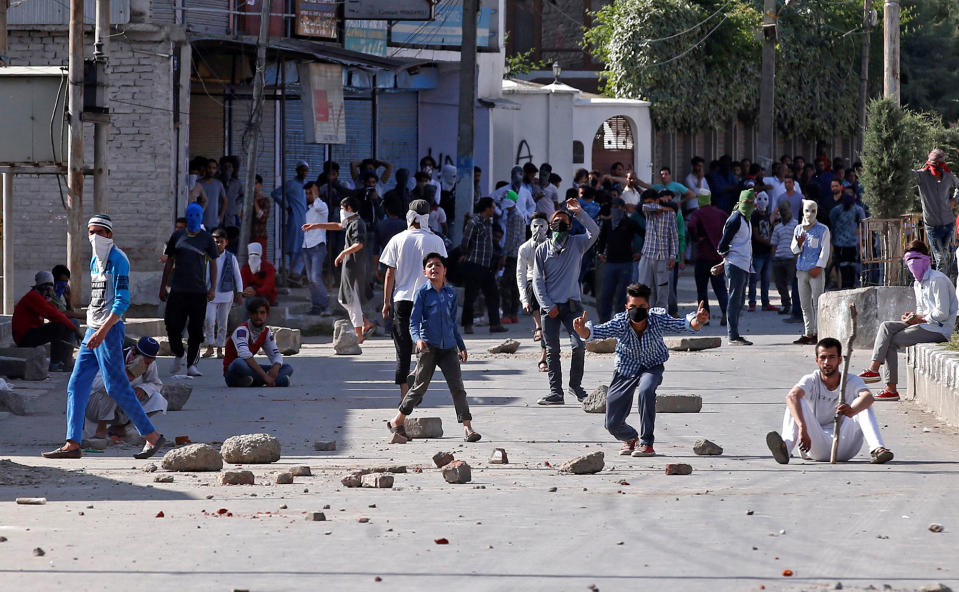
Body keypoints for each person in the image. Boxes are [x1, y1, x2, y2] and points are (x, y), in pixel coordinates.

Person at [42, 214, 166, 460]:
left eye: (99, 231)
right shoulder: (94, 262)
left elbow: (122, 302)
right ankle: (72, 443)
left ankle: (152, 437)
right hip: (93, 329)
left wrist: (102, 331)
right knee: (76, 385)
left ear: (109, 234)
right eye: (90, 232)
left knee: (115, 387)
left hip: (108, 330)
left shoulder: (119, 259)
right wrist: (91, 329)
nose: (94, 237)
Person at [573, 285, 710, 456]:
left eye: (642, 307)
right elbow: (598, 331)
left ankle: (646, 442)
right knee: (612, 423)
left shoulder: (658, 319)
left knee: (646, 390)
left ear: (648, 308)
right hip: (625, 369)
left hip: (652, 365)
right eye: (633, 308)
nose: (637, 311)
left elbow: (683, 325)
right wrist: (582, 330)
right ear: (626, 308)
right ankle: (630, 438)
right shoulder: (621, 322)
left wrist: (698, 320)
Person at [386, 253, 480, 444]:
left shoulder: (450, 294)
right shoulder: (422, 293)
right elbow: (414, 322)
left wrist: (461, 346)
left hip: (449, 349)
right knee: (419, 388)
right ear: (425, 272)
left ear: (445, 270)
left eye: (438, 265)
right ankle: (397, 420)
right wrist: (418, 340)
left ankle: (468, 427)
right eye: (429, 266)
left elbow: (453, 324)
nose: (434, 268)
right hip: (428, 348)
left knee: (458, 388)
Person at [766, 337, 894, 464]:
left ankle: (878, 449)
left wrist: (852, 410)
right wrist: (802, 428)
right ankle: (785, 448)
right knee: (794, 400)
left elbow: (868, 397)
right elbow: (791, 397)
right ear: (817, 360)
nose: (827, 362)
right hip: (815, 443)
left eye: (832, 357)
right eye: (823, 357)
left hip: (845, 444)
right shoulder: (811, 379)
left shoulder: (851, 380)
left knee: (862, 404)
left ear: (839, 360)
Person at [858, 241, 957, 401]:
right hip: (924, 324)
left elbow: (942, 314)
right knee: (886, 327)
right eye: (908, 261)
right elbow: (920, 309)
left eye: (915, 259)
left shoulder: (937, 280)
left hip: (939, 329)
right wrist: (912, 317)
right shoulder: (918, 283)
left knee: (891, 341)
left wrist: (920, 318)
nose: (912, 264)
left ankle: (890, 388)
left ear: (926, 259)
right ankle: (874, 370)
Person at [533, 198, 599, 405]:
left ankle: (575, 386)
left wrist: (579, 212)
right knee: (552, 350)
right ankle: (556, 392)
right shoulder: (542, 250)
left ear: (571, 226)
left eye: (565, 221)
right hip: (550, 308)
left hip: (572, 307)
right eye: (556, 221)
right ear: (550, 226)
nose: (560, 224)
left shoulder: (577, 244)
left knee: (578, 345)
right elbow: (537, 281)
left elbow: (594, 232)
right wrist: (547, 306)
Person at [379, 199, 448, 397]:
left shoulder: (397, 240)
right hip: (428, 300)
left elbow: (389, 273)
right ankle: (417, 377)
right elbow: (441, 273)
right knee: (428, 346)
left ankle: (404, 393)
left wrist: (386, 302)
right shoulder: (436, 241)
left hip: (402, 300)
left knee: (402, 348)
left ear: (409, 216)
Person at [303, 196, 377, 342]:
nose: (341, 212)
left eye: (342, 208)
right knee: (345, 299)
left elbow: (359, 244)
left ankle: (359, 334)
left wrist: (343, 252)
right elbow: (337, 226)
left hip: (355, 268)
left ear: (349, 209)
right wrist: (316, 226)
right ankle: (365, 324)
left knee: (351, 300)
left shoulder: (357, 223)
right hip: (349, 267)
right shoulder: (350, 222)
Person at [160, 202, 217, 376]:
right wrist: (163, 286)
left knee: (196, 330)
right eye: (190, 215)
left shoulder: (207, 239)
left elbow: (214, 264)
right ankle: (179, 353)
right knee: (172, 324)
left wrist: (213, 287)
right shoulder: (177, 236)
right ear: (186, 217)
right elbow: (169, 262)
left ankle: (192, 364)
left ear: (201, 217)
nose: (193, 218)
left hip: (198, 291)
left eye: (197, 216)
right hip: (177, 289)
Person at [85, 337, 166, 441]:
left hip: (121, 410)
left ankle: (120, 429)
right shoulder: (113, 356)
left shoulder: (149, 363)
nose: (147, 366)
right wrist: (124, 377)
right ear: (133, 352)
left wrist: (143, 388)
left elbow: (156, 384)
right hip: (95, 406)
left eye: (149, 363)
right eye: (145, 362)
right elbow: (95, 384)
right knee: (114, 388)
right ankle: (101, 429)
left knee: (157, 399)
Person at [13, 271, 84, 371]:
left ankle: (65, 361)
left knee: (69, 323)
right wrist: (76, 330)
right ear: (42, 287)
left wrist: (68, 300)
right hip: (24, 337)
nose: (50, 290)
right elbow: (56, 315)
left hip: (30, 333)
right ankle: (57, 363)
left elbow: (58, 313)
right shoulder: (33, 297)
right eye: (48, 287)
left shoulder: (41, 297)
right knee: (60, 326)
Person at [460, 197, 507, 334]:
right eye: (492, 207)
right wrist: (467, 255)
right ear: (486, 208)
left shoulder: (489, 223)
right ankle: (467, 324)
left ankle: (495, 324)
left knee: (493, 294)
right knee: (471, 296)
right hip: (474, 264)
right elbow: (465, 242)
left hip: (487, 265)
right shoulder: (474, 222)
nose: (494, 210)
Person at [223, 297, 293, 387]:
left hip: (251, 371)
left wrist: (276, 367)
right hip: (234, 372)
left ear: (267, 314)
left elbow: (275, 354)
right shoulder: (242, 330)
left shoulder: (266, 332)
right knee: (239, 363)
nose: (259, 316)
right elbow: (245, 356)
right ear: (250, 314)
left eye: (262, 313)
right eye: (255, 313)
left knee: (287, 367)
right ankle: (275, 382)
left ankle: (254, 381)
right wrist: (265, 376)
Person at [717, 188, 756, 345]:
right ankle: (732, 336)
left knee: (739, 301)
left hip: (744, 264)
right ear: (740, 202)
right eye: (746, 202)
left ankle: (735, 333)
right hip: (736, 264)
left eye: (751, 202)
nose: (749, 205)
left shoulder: (746, 219)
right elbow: (722, 245)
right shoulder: (735, 219)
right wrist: (726, 260)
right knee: (734, 300)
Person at [914, 148, 959, 274]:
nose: (937, 169)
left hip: (948, 224)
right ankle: (943, 286)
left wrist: (954, 200)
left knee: (946, 257)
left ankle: (946, 284)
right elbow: (907, 173)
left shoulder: (949, 176)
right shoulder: (922, 176)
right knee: (940, 258)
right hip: (932, 226)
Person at [792, 199, 830, 345]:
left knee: (817, 303)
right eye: (807, 210)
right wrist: (799, 243)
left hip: (816, 272)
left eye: (813, 211)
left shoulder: (823, 230)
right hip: (802, 270)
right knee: (805, 304)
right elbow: (794, 249)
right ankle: (809, 332)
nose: (809, 214)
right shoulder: (798, 229)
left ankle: (819, 333)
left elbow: (825, 251)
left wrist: (819, 267)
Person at [687, 192, 729, 326]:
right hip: (718, 257)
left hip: (702, 257)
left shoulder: (697, 214)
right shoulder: (721, 214)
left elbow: (691, 226)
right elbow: (730, 227)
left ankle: (705, 317)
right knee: (720, 287)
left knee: (702, 289)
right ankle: (726, 313)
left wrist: (696, 238)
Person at [597, 197, 641, 323]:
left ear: (623, 209)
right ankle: (604, 323)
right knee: (606, 294)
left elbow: (644, 234)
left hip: (626, 263)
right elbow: (602, 239)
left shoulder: (629, 223)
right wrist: (600, 252)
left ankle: (620, 322)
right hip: (610, 263)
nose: (615, 210)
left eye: (618, 208)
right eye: (614, 208)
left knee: (622, 296)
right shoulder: (607, 223)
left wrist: (640, 252)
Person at [202, 228, 243, 359]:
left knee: (222, 323)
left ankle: (220, 348)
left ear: (226, 243)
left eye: (221, 242)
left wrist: (240, 292)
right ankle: (210, 346)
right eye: (216, 241)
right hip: (210, 294)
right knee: (209, 320)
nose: (218, 244)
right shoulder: (206, 257)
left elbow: (237, 276)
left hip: (226, 294)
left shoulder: (231, 258)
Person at [517, 213, 550, 372]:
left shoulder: (553, 246)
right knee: (532, 288)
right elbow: (521, 274)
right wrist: (524, 299)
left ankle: (544, 355)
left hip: (550, 284)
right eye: (535, 226)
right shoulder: (524, 248)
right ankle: (538, 326)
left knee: (548, 322)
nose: (538, 229)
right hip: (533, 286)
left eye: (542, 226)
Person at [635, 189, 678, 309]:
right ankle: (644, 317)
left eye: (651, 202)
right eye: (647, 202)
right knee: (644, 288)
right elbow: (644, 206)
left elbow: (674, 237)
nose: (649, 204)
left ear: (657, 200)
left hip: (663, 257)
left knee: (662, 290)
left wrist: (673, 256)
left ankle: (660, 319)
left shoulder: (670, 215)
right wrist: (662, 207)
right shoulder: (649, 212)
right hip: (647, 256)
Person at [273, 160, 310, 283]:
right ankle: (290, 273)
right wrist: (287, 207)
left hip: (304, 220)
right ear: (297, 170)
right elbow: (275, 194)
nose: (304, 173)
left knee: (303, 247)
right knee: (293, 247)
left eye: (306, 170)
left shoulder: (305, 186)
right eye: (302, 170)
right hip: (294, 220)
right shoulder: (291, 184)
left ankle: (295, 274)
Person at [302, 181, 330, 315]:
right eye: (307, 193)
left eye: (311, 192)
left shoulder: (322, 206)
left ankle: (325, 304)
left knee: (315, 277)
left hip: (318, 246)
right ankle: (316, 306)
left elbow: (318, 204)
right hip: (307, 246)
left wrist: (315, 192)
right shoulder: (309, 208)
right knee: (310, 279)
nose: (309, 195)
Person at [829, 187, 865, 289]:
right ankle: (844, 285)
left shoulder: (858, 210)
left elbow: (863, 225)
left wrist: (863, 240)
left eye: (851, 193)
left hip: (853, 244)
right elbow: (832, 223)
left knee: (852, 266)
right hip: (839, 244)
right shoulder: (836, 210)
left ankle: (851, 285)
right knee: (842, 266)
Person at [500, 191, 526, 324]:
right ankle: (513, 314)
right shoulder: (514, 214)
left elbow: (513, 238)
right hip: (516, 255)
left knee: (506, 284)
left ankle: (507, 314)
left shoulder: (515, 215)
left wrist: (504, 254)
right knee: (514, 285)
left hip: (513, 255)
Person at [748, 191, 775, 312]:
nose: (762, 201)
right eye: (759, 199)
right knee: (754, 279)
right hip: (758, 252)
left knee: (766, 280)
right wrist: (770, 243)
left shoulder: (766, 216)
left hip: (767, 253)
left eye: (765, 199)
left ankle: (765, 303)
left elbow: (768, 231)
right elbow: (756, 235)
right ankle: (752, 302)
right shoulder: (754, 216)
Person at [770, 200, 798, 315]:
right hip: (779, 259)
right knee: (780, 284)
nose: (784, 212)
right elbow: (774, 245)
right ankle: (786, 304)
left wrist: (797, 256)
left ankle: (797, 306)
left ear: (790, 210)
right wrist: (774, 258)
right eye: (782, 211)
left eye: (786, 210)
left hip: (791, 258)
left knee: (794, 283)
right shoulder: (778, 228)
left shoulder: (796, 225)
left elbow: (800, 242)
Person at [241, 242, 278, 306]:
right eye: (251, 254)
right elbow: (242, 284)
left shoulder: (269, 267)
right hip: (249, 296)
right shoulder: (245, 268)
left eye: (256, 254)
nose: (253, 256)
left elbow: (268, 286)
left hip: (265, 296)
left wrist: (256, 292)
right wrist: (247, 291)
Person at [198, 159, 226, 231]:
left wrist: (221, 217)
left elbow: (225, 201)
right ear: (205, 168)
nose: (211, 170)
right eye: (209, 167)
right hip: (201, 221)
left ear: (216, 170)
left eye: (214, 168)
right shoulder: (198, 183)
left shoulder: (218, 184)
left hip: (214, 222)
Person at [251, 175, 271, 252]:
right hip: (249, 237)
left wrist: (255, 201)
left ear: (260, 185)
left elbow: (262, 217)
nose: (253, 186)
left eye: (255, 183)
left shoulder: (265, 201)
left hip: (259, 236)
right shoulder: (246, 200)